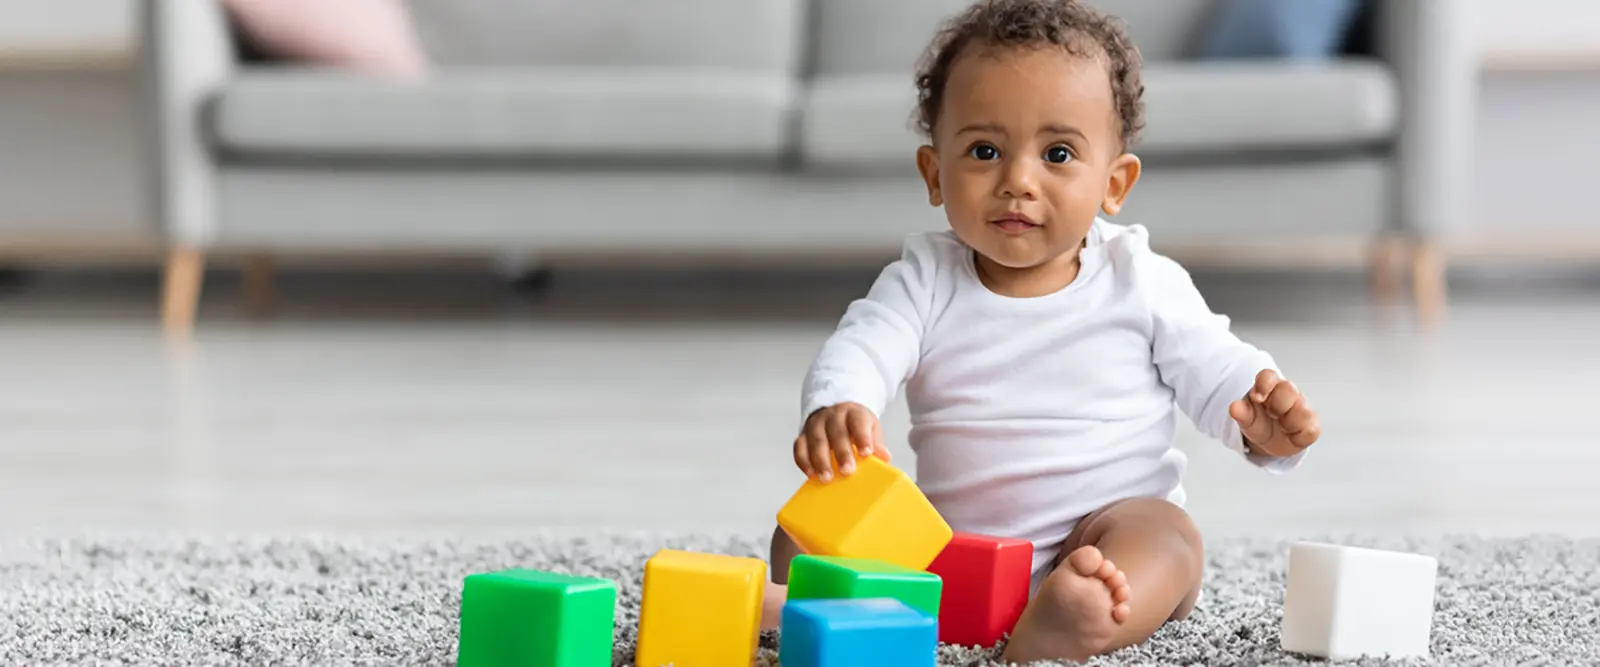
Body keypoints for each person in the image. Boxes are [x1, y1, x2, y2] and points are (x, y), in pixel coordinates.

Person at [761, 0, 1323, 662]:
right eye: (985, 151)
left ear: (1114, 184)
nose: (1018, 181)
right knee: (806, 528)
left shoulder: (1140, 277)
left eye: (1057, 153)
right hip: (949, 555)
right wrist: (840, 404)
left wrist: (1258, 420)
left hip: (1099, 534)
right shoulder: (924, 279)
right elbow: (864, 344)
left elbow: (1215, 365)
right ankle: (823, 606)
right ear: (935, 174)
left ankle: (1076, 618)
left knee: (1168, 538)